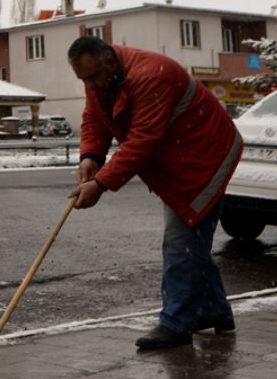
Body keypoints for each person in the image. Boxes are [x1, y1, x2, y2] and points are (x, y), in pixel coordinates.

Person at [66, 36, 243, 349]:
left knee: (180, 242)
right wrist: (90, 156)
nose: (90, 86)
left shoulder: (151, 75)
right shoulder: (101, 78)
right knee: (193, 242)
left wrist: (101, 183)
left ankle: (176, 324)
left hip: (206, 156)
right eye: (83, 80)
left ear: (108, 60)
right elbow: (95, 118)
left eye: (92, 78)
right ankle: (214, 311)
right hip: (178, 158)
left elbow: (143, 140)